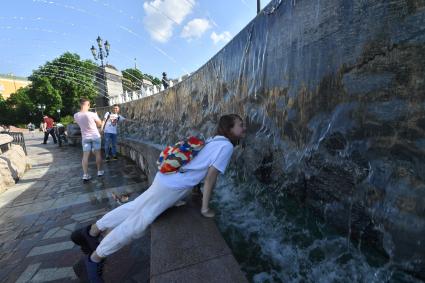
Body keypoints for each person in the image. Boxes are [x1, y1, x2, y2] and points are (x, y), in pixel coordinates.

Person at [71, 114, 246, 282]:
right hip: (173, 187)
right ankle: (94, 259)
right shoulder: (227, 146)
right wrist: (205, 208)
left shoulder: (214, 139)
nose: (244, 128)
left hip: (166, 176)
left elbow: (199, 164)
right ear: (229, 128)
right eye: (240, 125)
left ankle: (91, 231)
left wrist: (194, 191)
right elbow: (210, 178)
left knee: (135, 207)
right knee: (138, 224)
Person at [73, 98, 104, 181]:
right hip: (95, 136)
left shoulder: (76, 115)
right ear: (87, 104)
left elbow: (79, 123)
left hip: (85, 137)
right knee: (98, 154)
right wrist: (97, 116)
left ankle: (85, 175)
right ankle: (99, 171)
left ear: (80, 104)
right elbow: (99, 124)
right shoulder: (92, 114)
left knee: (85, 156)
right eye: (89, 104)